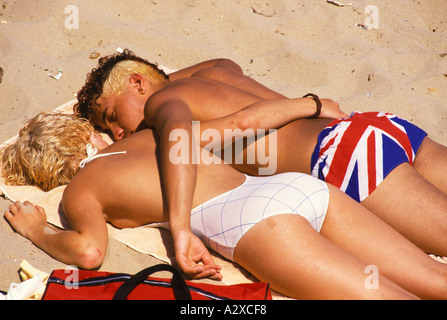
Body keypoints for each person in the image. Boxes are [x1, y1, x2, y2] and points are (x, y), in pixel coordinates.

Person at [3, 112, 447, 299]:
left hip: (256, 223)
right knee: (435, 277)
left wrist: (35, 229)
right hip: (296, 187)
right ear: (85, 133)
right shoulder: (147, 134)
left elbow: (88, 253)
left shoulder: (80, 189)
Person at [74, 49, 447, 257]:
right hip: (370, 127)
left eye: (111, 116)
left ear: (137, 83)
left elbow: (181, 142)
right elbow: (178, 78)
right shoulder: (216, 70)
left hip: (340, 156)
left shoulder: (162, 104)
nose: (118, 132)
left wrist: (181, 227)